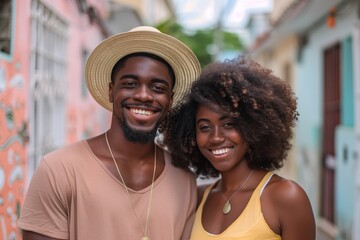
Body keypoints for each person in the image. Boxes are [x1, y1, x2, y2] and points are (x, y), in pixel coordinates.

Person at [18, 26, 201, 240]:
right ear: (111, 91)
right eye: (130, 84)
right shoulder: (59, 170)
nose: (144, 95)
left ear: (170, 101)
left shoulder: (184, 179)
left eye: (158, 88)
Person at [166, 57, 316, 239]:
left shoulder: (285, 197)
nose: (216, 137)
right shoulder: (198, 197)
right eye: (204, 127)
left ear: (253, 126)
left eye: (229, 124)